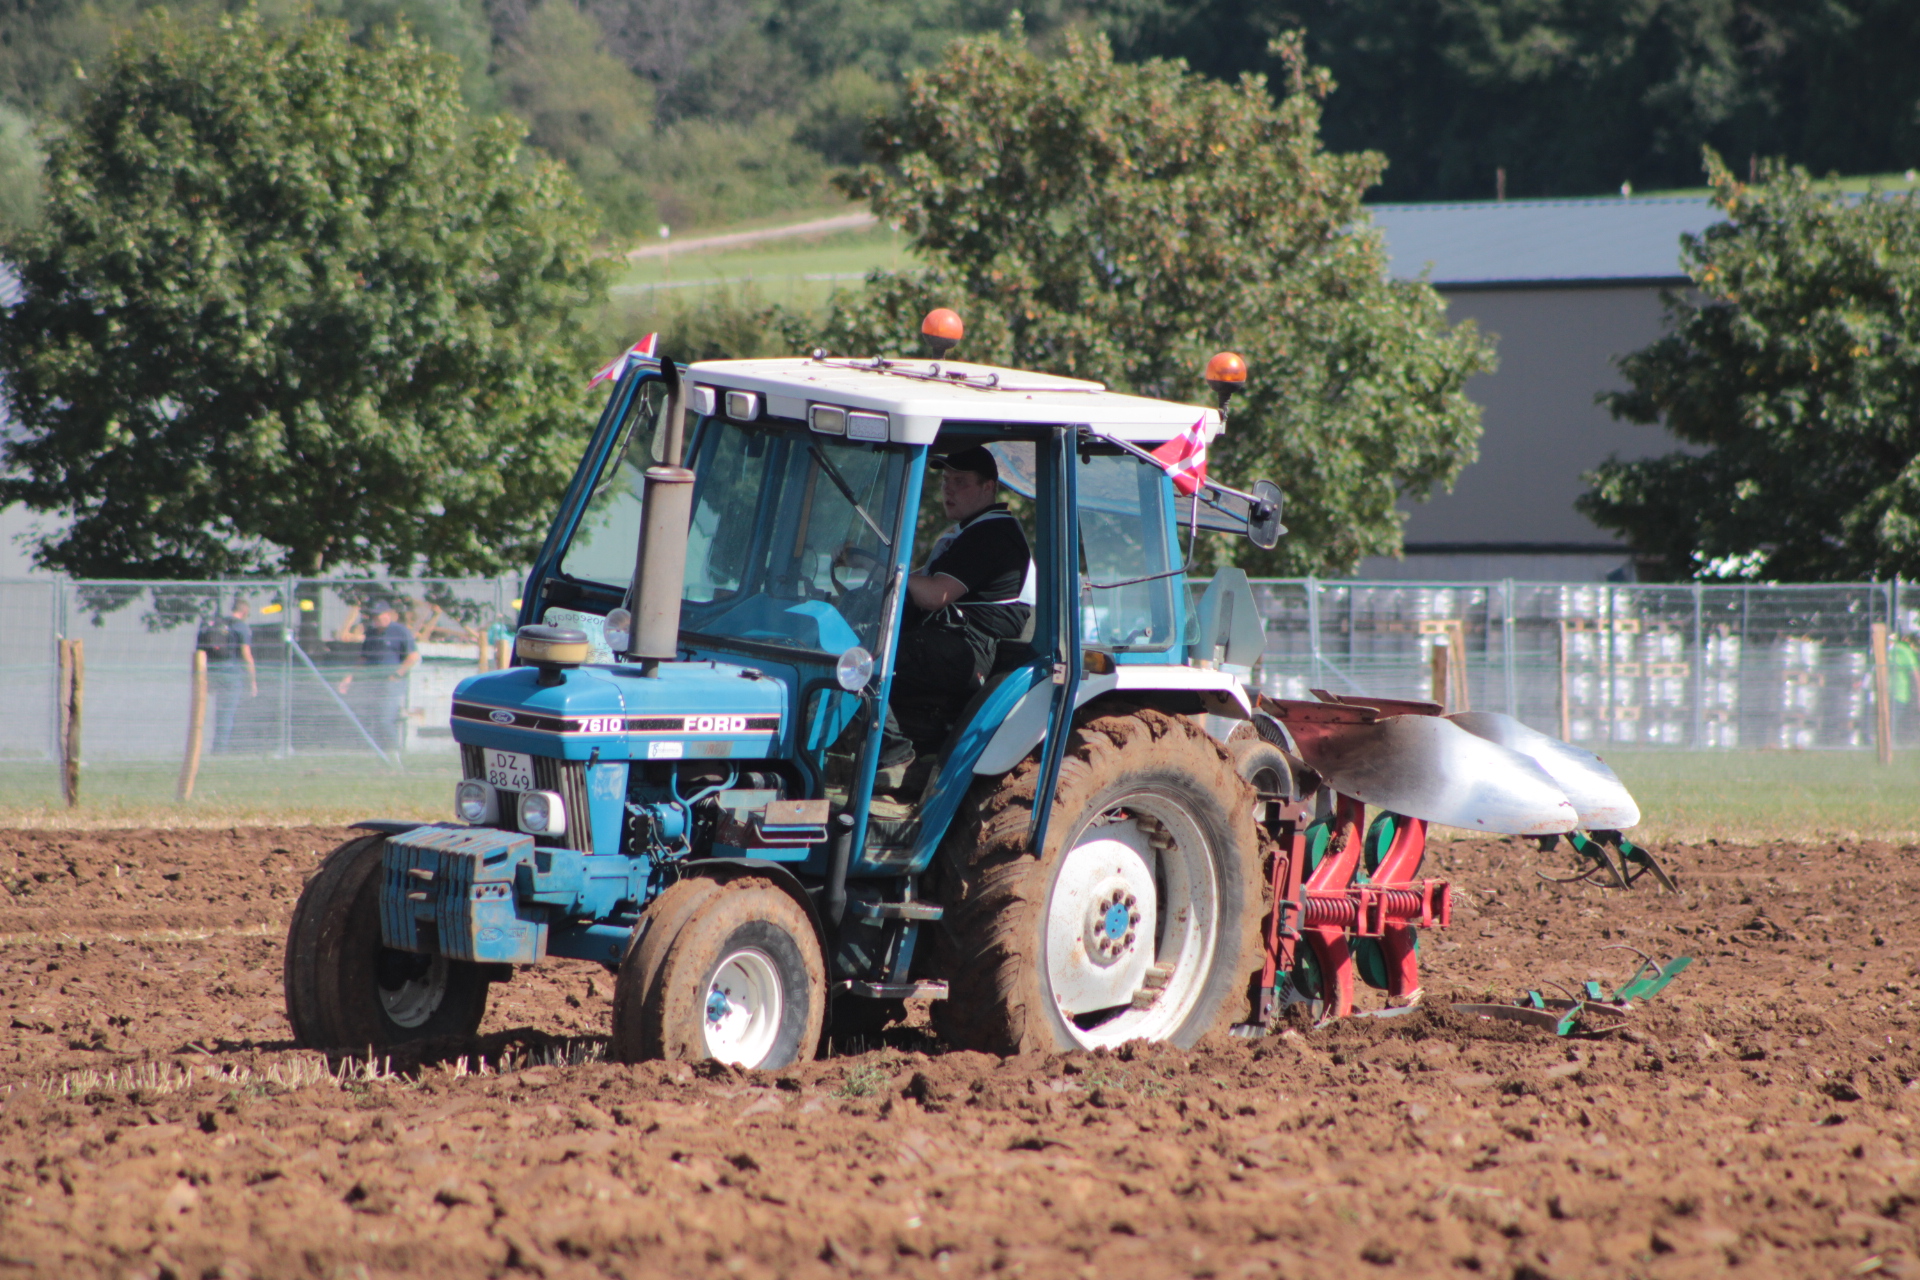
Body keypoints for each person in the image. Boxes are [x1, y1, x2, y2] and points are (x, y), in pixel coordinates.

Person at [878, 445, 1033, 785]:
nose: (947, 489)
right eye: (946, 480)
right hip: (944, 641)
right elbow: (918, 582)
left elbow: (935, 595)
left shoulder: (992, 534)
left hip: (966, 650)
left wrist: (886, 570)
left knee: (864, 660)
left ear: (988, 487)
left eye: (959, 481)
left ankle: (896, 756)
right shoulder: (963, 534)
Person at [337, 599, 419, 750]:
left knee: (385, 718)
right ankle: (376, 750)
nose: (377, 619)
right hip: (373, 681)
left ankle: (394, 752)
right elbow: (363, 658)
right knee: (371, 717)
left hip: (392, 682)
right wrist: (349, 677)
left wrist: (396, 674)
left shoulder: (400, 631)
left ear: (388, 615)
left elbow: (413, 656)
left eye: (379, 615)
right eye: (374, 616)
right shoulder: (371, 633)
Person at [201, 595, 257, 754]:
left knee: (220, 711)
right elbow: (246, 655)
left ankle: (215, 747)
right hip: (231, 672)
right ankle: (220, 750)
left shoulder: (220, 624)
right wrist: (252, 681)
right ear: (245, 611)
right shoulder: (241, 627)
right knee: (227, 712)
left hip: (213, 670)